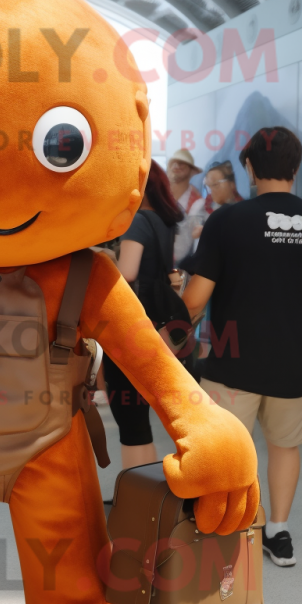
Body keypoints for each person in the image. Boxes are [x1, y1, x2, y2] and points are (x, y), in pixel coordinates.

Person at [182, 127, 302, 567]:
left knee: (227, 452)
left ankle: (230, 533)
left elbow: (195, 300)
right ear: (296, 167)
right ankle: (278, 532)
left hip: (232, 363)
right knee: (285, 447)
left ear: (249, 168)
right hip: (294, 363)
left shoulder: (226, 221)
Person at [103, 160, 184, 470]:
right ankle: (147, 490)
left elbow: (128, 272)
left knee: (131, 425)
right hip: (161, 324)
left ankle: (135, 491)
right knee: (139, 420)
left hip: (132, 326)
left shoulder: (137, 221)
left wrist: (104, 257)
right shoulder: (163, 220)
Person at [167, 149, 205, 263]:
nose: (176, 166)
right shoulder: (161, 195)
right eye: (173, 163)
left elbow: (190, 241)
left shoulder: (198, 203)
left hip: (181, 263)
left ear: (192, 171)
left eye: (182, 163)